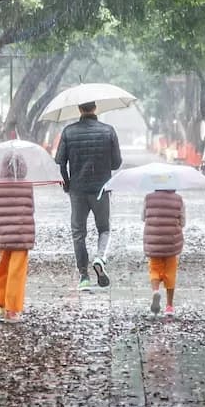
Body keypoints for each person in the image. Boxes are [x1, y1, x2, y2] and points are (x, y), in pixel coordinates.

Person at [55, 101, 123, 290]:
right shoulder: (108, 131)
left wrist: (67, 184)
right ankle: (100, 258)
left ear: (79, 109)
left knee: (78, 233)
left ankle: (84, 276)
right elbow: (116, 163)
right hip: (101, 189)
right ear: (95, 108)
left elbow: (60, 162)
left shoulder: (69, 132)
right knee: (104, 229)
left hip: (77, 190)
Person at [0, 154, 35, 323]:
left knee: (3, 267)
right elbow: (31, 208)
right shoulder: (27, 185)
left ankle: (0, 302)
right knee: (17, 271)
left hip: (2, 233)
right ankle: (12, 310)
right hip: (22, 234)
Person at [144, 188, 185, 317]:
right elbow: (183, 221)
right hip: (171, 242)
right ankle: (169, 306)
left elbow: (143, 217)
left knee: (154, 269)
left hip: (154, 240)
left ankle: (155, 291)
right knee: (170, 273)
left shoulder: (148, 197)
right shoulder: (178, 199)